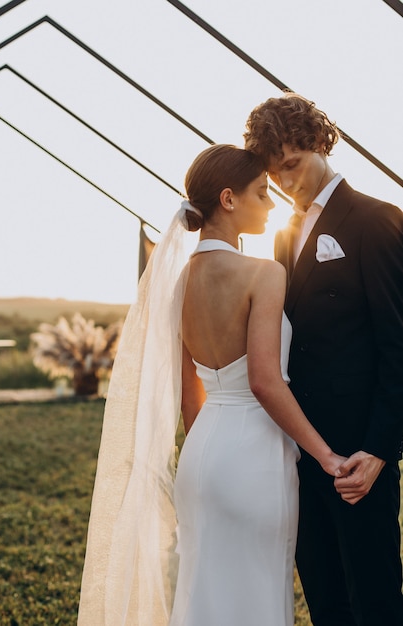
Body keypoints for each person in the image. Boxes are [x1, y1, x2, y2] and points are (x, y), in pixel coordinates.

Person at [78, 144, 344, 626]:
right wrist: (325, 455)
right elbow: (265, 382)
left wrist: (210, 447)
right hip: (254, 458)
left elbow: (190, 391)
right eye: (262, 193)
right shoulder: (264, 273)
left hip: (202, 455)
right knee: (258, 594)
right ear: (228, 199)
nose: (270, 204)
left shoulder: (178, 280)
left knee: (205, 595)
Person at [244, 93, 403, 626]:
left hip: (360, 458)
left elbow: (397, 346)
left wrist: (380, 450)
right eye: (275, 174)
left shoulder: (377, 220)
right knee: (325, 600)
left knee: (375, 600)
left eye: (292, 165)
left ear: (319, 142)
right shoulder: (283, 236)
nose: (286, 183)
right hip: (300, 452)